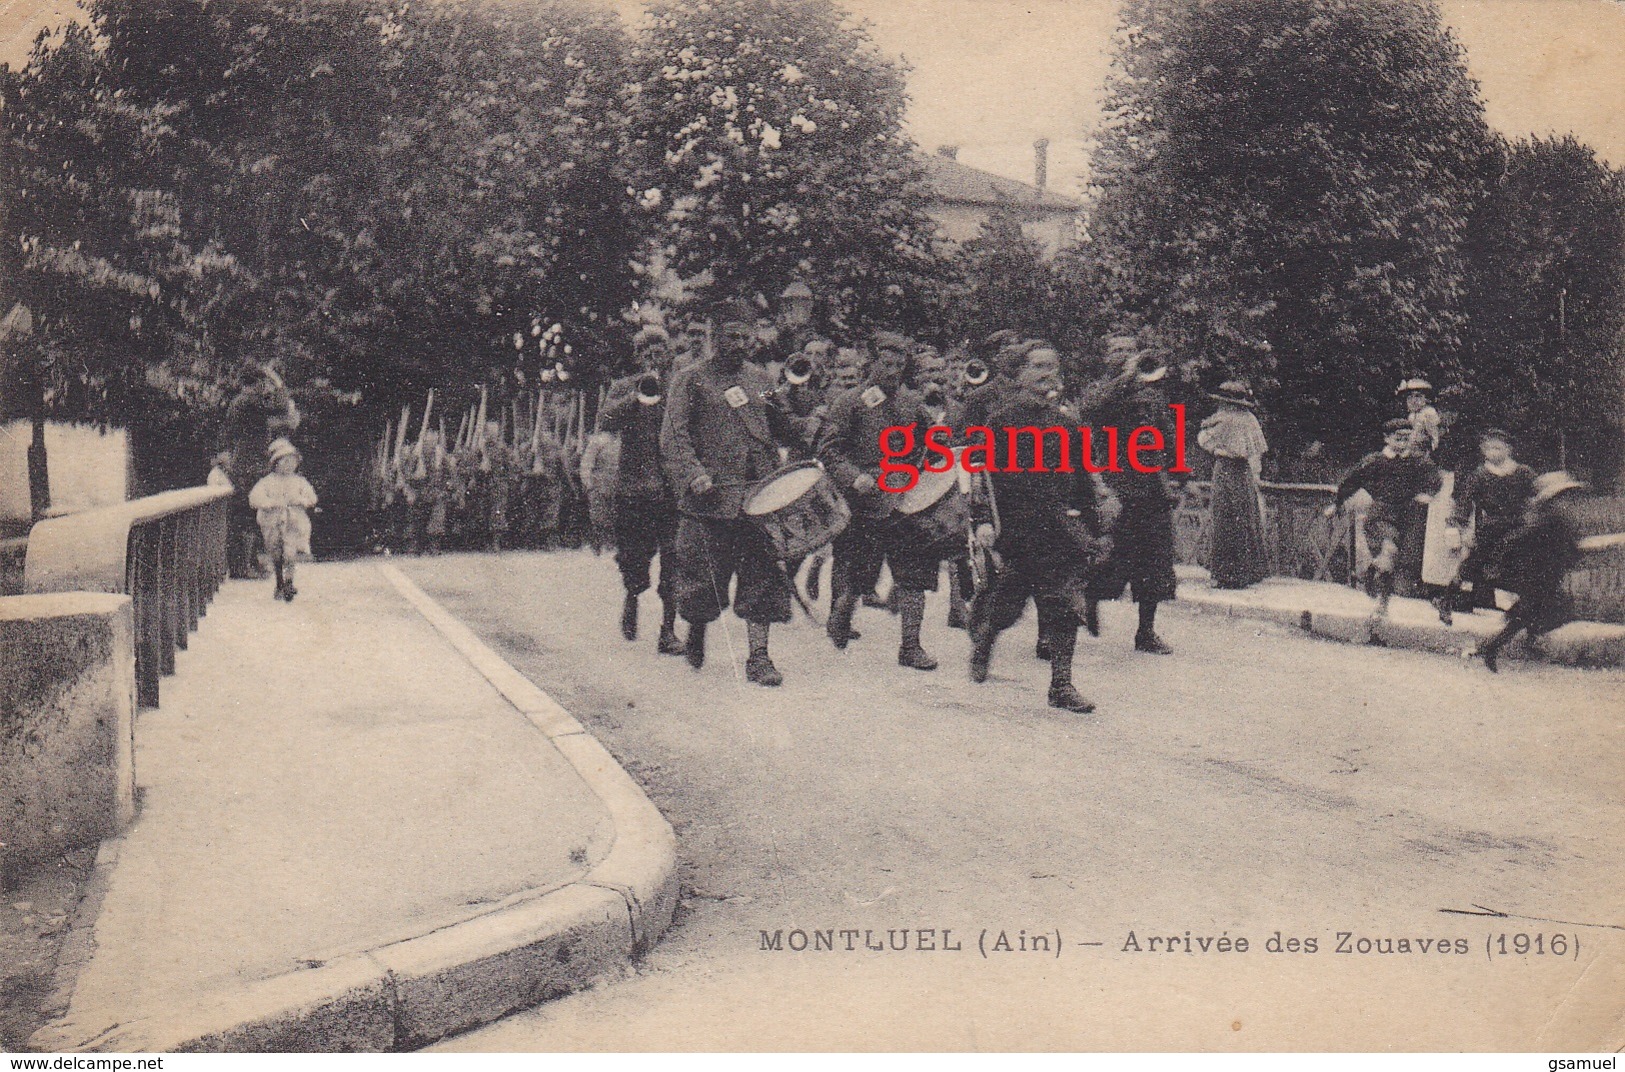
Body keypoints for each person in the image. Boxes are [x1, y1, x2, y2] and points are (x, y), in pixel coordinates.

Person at [661, 297, 805, 686]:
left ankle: (759, 656)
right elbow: (674, 435)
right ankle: (697, 628)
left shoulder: (760, 379)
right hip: (709, 499)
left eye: (744, 337)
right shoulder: (690, 379)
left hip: (758, 497)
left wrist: (806, 420)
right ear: (713, 337)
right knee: (701, 579)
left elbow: (782, 424)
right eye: (729, 337)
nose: (738, 344)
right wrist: (694, 474)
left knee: (764, 575)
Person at [968, 340, 1103, 713]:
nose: (1046, 374)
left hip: (1057, 526)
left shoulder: (1068, 425)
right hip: (1016, 527)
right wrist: (981, 521)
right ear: (1020, 374)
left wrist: (1093, 525)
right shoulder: (1001, 421)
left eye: (1052, 367)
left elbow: (1081, 481)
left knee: (1063, 603)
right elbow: (982, 478)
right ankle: (984, 641)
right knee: (1007, 603)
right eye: (1038, 366)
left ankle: (1061, 685)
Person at [816, 330, 943, 670]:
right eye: (886, 364)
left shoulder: (911, 402)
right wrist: (853, 477)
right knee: (859, 572)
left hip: (905, 497)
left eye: (899, 365)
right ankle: (841, 615)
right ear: (871, 363)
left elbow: (931, 441)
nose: (892, 371)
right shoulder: (849, 403)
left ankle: (911, 646)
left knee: (914, 573)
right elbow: (829, 449)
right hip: (865, 500)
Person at [1083, 337, 1181, 654]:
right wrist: (1122, 382)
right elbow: (1090, 412)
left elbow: (1167, 434)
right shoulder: (1101, 390)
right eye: (1117, 351)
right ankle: (1090, 600)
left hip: (1151, 488)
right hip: (1114, 484)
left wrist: (1181, 473)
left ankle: (1146, 632)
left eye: (1130, 351)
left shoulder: (1151, 394)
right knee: (1110, 554)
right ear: (1106, 357)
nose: (1125, 356)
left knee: (1155, 561)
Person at [600, 325, 682, 655]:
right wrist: (637, 395)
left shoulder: (678, 388)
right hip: (634, 489)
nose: (654, 355)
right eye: (646, 351)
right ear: (638, 357)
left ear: (668, 353)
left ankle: (668, 630)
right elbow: (605, 419)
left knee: (674, 560)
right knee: (634, 558)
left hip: (670, 490)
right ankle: (632, 598)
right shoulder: (623, 387)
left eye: (659, 349)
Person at [1325, 420, 1443, 624]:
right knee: (1389, 550)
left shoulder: (1416, 461)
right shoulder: (1376, 461)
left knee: (1391, 564)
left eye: (1407, 438)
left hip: (1406, 517)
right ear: (1387, 439)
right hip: (1380, 515)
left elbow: (1435, 478)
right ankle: (1376, 589)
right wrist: (1337, 503)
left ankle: (1377, 591)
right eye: (1398, 438)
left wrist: (1427, 494)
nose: (1404, 442)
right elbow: (1352, 480)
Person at [1478, 471, 1588, 672]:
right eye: (1563, 496)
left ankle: (1514, 642)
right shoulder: (1549, 519)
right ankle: (1493, 646)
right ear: (1553, 498)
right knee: (1548, 611)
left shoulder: (1556, 517)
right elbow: (1517, 539)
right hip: (1538, 575)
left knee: (1534, 613)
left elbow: (1568, 547)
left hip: (1546, 575)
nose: (1568, 500)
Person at [1445, 429, 1537, 617]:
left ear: (1508, 449)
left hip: (1517, 524)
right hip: (1490, 524)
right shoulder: (1480, 474)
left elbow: (1536, 495)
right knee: (1477, 559)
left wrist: (1534, 516)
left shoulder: (1522, 472)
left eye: (1498, 448)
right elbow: (1465, 501)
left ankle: (1516, 603)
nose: (1493, 452)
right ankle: (1461, 596)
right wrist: (1457, 524)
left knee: (1512, 558)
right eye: (1488, 448)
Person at [1198, 381, 1269, 589]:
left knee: (1224, 519)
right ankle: (1246, 572)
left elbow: (1203, 440)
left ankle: (1225, 573)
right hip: (1243, 472)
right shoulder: (1250, 420)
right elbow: (1256, 451)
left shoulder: (1223, 420)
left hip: (1224, 469)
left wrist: (1209, 433)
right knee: (1244, 518)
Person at [249, 439, 318, 601]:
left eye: (292, 461)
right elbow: (254, 498)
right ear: (276, 463)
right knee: (276, 552)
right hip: (272, 521)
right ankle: (279, 580)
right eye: (285, 461)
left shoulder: (299, 481)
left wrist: (303, 501)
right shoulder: (267, 482)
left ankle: (289, 582)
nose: (289, 465)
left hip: (293, 521)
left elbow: (311, 497)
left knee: (290, 552)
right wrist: (268, 503)